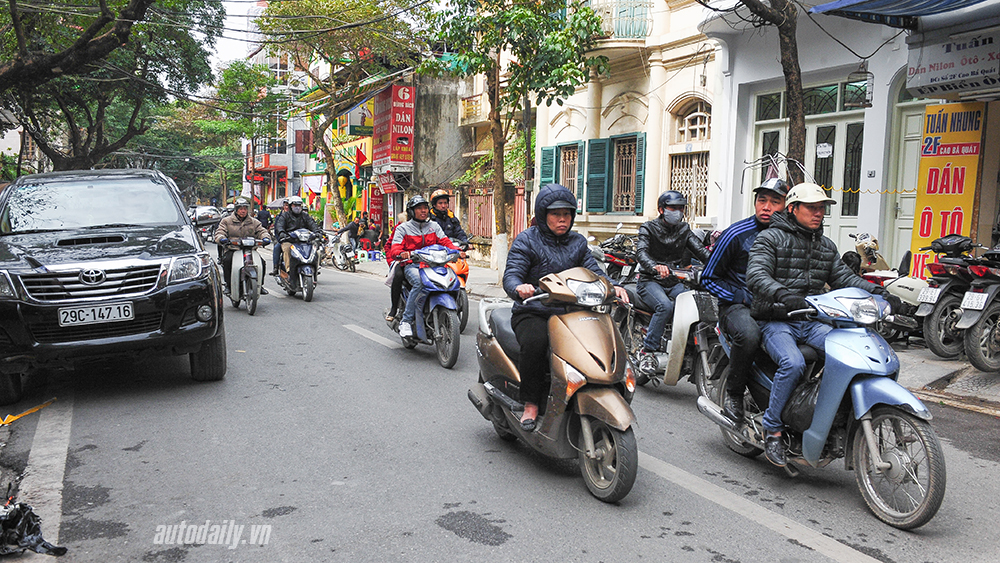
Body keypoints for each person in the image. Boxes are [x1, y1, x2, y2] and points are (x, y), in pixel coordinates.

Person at [747, 183, 902, 467]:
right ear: (793, 209)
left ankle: (824, 415)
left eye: (822, 209)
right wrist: (783, 294)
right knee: (792, 363)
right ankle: (772, 427)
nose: (819, 213)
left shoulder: (825, 246)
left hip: (811, 319)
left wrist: (880, 293)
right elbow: (756, 274)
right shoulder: (770, 239)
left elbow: (846, 279)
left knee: (849, 355)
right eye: (812, 208)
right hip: (775, 318)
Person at [503, 184, 629, 432]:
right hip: (535, 310)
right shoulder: (526, 240)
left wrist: (614, 287)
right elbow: (512, 275)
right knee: (536, 342)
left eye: (567, 214)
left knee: (602, 335)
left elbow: (594, 271)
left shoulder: (578, 242)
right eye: (555, 214)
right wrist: (520, 288)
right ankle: (531, 403)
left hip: (573, 312)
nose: (562, 219)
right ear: (542, 215)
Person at [701, 178, 788, 423]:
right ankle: (734, 394)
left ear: (786, 206)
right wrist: (740, 295)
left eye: (774, 201)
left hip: (777, 307)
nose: (766, 207)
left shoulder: (790, 236)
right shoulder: (735, 234)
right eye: (762, 200)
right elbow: (707, 278)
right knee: (749, 334)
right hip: (737, 307)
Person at [634, 190, 710, 357]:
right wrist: (655, 266)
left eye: (681, 208)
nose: (678, 212)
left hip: (674, 281)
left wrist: (719, 263)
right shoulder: (648, 228)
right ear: (661, 209)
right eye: (673, 208)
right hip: (650, 281)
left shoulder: (684, 229)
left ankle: (682, 345)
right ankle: (648, 350)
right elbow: (641, 252)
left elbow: (700, 251)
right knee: (665, 306)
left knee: (696, 303)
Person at [387, 196, 464, 338]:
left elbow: (445, 241)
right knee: (419, 282)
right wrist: (402, 253)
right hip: (413, 265)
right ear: (411, 211)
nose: (423, 211)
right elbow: (395, 248)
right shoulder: (403, 228)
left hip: (434, 265)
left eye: (425, 208)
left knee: (454, 280)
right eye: (419, 208)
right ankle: (406, 320)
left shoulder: (434, 226)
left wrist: (457, 251)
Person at [214, 197, 271, 295]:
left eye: (245, 208)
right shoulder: (226, 221)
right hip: (233, 249)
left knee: (261, 262)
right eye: (240, 209)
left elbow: (262, 231)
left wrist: (265, 238)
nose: (243, 211)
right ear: (236, 210)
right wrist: (222, 238)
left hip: (250, 249)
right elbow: (220, 232)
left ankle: (260, 285)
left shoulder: (254, 221)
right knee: (227, 261)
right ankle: (228, 285)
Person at [275, 195, 321, 275]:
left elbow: (312, 224)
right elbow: (280, 225)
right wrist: (282, 233)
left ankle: (315, 269)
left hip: (304, 241)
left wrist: (317, 232)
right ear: (290, 206)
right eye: (295, 205)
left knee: (316, 251)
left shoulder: (305, 216)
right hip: (290, 240)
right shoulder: (285, 216)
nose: (297, 207)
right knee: (286, 249)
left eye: (299, 205)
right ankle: (289, 271)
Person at [385, 212, 408, 322]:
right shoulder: (400, 228)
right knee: (398, 275)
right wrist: (393, 261)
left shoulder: (429, 226)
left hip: (425, 261)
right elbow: (389, 246)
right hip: (403, 260)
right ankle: (394, 308)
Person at [270, 199, 289, 276]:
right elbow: (277, 229)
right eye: (285, 205)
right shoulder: (279, 217)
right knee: (277, 247)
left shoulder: (296, 216)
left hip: (294, 239)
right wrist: (280, 239)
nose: (287, 207)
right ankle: (275, 267)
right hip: (282, 239)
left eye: (288, 205)